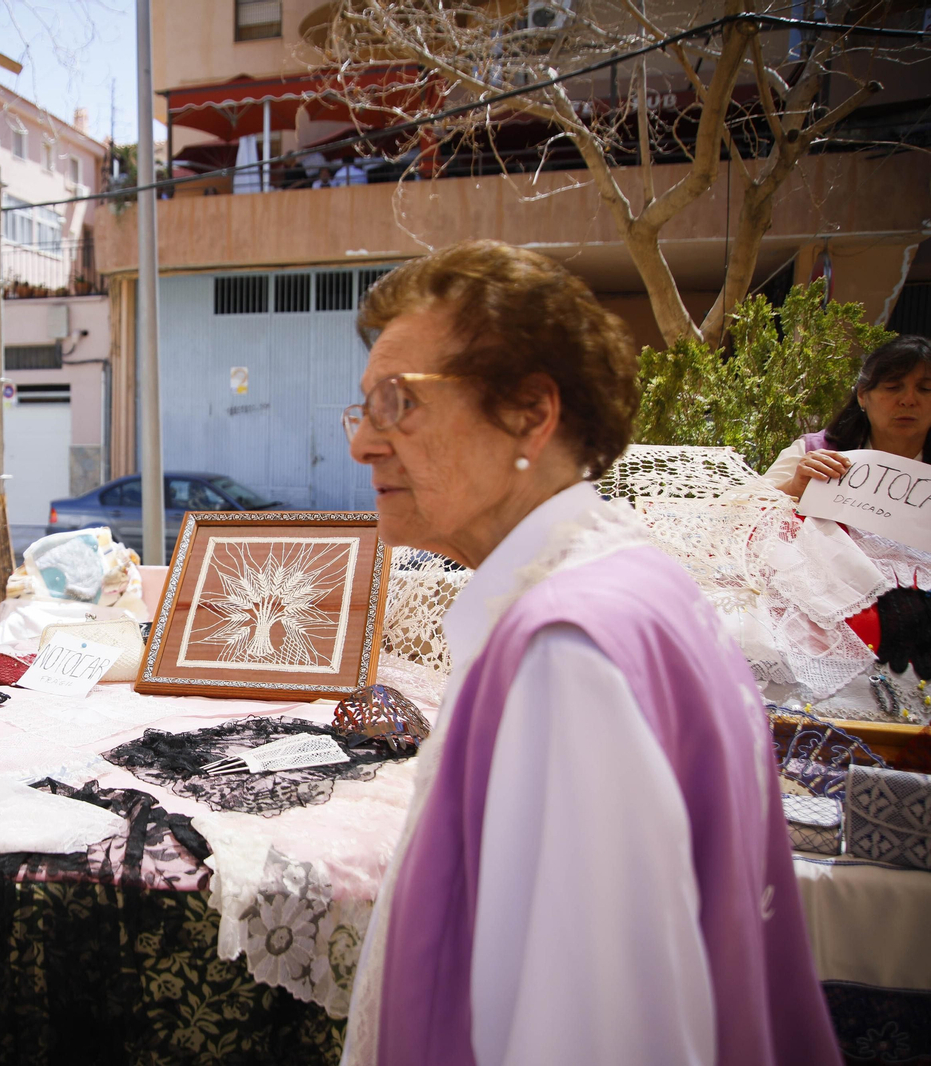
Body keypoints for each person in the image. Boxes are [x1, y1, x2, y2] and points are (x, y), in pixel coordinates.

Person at [339, 241, 839, 1066]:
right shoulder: (627, 578)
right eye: (363, 409)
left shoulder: (562, 654)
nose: (364, 445)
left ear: (531, 414)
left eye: (399, 403)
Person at [767, 334, 931, 500]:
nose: (908, 400)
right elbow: (745, 508)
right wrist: (792, 488)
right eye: (893, 387)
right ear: (862, 395)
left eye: (925, 389)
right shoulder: (815, 451)